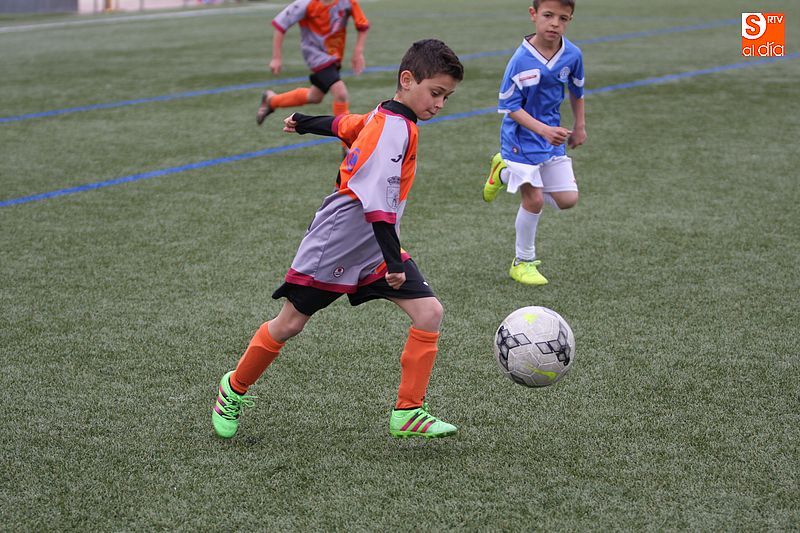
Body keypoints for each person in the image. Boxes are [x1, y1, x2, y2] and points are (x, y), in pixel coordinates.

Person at [214, 39, 464, 440]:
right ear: (407, 80)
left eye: (446, 97)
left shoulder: (388, 117)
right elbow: (377, 205)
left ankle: (408, 410)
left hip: (374, 245)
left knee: (429, 313)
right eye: (435, 92)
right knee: (290, 324)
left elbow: (347, 124)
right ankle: (234, 388)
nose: (439, 104)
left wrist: (304, 121)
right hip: (337, 243)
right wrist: (394, 263)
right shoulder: (392, 130)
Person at [483, 0, 586, 286]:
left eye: (563, 18)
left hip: (551, 140)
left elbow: (577, 91)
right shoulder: (519, 60)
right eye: (548, 15)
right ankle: (522, 261)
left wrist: (580, 126)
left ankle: (503, 172)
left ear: (570, 19)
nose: (555, 23)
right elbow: (509, 107)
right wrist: (543, 130)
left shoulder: (573, 54)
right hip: (519, 140)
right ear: (533, 15)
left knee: (568, 200)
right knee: (534, 199)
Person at [256, 0, 369, 129]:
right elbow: (281, 25)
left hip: (334, 55)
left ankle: (271, 101)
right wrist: (276, 58)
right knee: (340, 93)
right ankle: (346, 139)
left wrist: (358, 52)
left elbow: (362, 25)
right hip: (314, 54)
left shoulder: (347, 2)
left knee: (314, 96)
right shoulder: (305, 4)